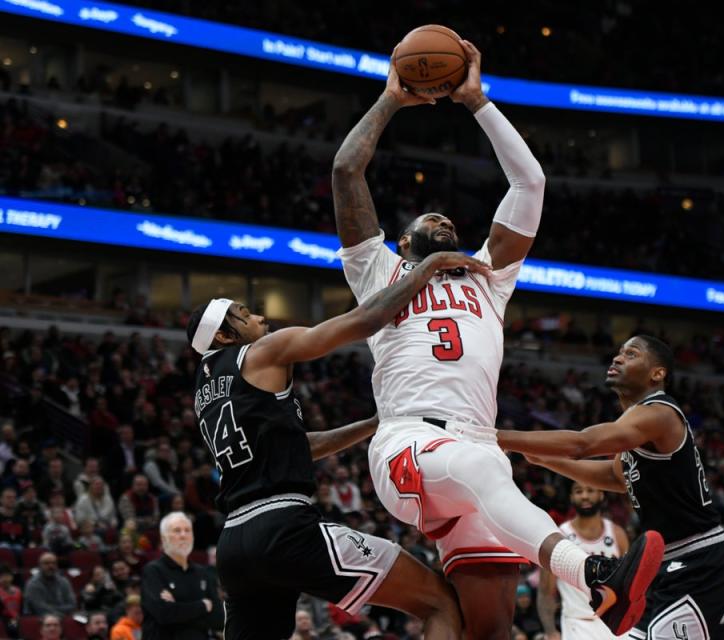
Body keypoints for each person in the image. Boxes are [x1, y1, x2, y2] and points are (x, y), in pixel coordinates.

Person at [333, 38, 663, 638]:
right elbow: (345, 169)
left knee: (489, 628)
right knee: (489, 471)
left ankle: (598, 581)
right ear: (402, 243)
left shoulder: (489, 278)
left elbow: (530, 181)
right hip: (409, 443)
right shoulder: (378, 273)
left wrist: (479, 101)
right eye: (428, 221)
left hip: (474, 448)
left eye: (450, 222)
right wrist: (388, 100)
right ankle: (595, 575)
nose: (443, 222)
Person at [188, 247, 488, 638]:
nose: (261, 317)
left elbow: (297, 447)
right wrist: (429, 266)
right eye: (246, 315)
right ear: (225, 335)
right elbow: (366, 319)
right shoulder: (261, 352)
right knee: (438, 601)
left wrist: (373, 423)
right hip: (283, 528)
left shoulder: (204, 390)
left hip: (234, 544)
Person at [499, 335, 724, 639]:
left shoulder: (660, 412)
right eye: (618, 353)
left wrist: (495, 436)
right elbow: (617, 477)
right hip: (668, 566)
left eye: (631, 354)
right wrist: (546, 460)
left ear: (658, 373)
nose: (617, 358)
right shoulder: (636, 424)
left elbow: (583, 443)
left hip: (700, 561)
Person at [537, 482, 630, 640]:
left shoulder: (617, 533)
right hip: (578, 624)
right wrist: (551, 631)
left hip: (615, 624)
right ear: (571, 497)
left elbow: (629, 584)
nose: (585, 495)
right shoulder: (559, 537)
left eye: (590, 490)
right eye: (578, 491)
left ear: (601, 495)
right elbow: (546, 591)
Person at [141, 511, 222, 639]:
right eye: (177, 531)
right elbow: (163, 614)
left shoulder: (203, 573)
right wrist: (203, 605)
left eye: (187, 530)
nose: (183, 535)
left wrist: (178, 608)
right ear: (164, 538)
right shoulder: (153, 571)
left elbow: (218, 619)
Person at [23, 552, 77, 617]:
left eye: (53, 563)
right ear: (40, 565)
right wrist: (62, 613)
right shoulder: (32, 584)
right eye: (46, 563)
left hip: (63, 620)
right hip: (40, 621)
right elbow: (40, 609)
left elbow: (72, 605)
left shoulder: (64, 581)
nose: (51, 566)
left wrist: (54, 609)